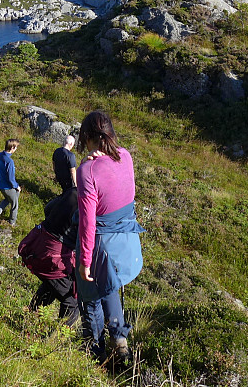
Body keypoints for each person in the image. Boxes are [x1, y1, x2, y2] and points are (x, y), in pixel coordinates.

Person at [75, 110, 145, 364]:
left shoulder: (88, 171)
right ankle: (120, 342)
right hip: (126, 242)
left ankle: (96, 352)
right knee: (110, 287)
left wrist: (83, 260)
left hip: (101, 247)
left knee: (90, 295)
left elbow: (87, 221)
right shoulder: (126, 156)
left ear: (87, 137)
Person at [17, 187, 79, 325]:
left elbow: (48, 208)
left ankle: (29, 318)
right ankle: (58, 338)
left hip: (37, 244)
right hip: (52, 256)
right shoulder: (89, 203)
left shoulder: (73, 191)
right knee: (71, 301)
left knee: (53, 284)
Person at [0, 138, 20, 226]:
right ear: (12, 147)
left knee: (7, 199)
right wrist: (17, 186)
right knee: (15, 204)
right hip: (8, 187)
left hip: (0, 185)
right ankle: (12, 223)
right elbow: (11, 179)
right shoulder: (9, 161)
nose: (16, 149)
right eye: (16, 147)